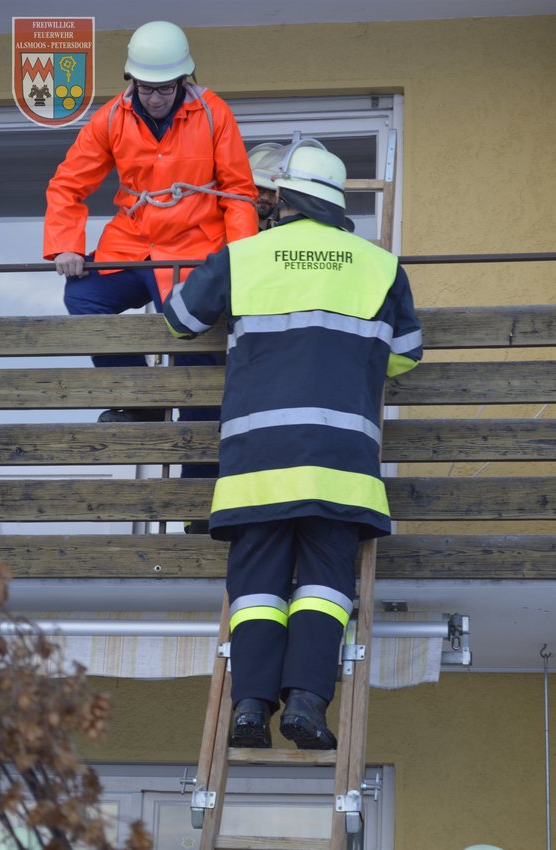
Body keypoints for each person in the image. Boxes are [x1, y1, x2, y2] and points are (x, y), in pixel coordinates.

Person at [163, 138, 422, 749]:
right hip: (341, 466)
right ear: (335, 204)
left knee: (255, 586)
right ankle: (306, 704)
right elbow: (406, 360)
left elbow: (180, 318)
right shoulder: (380, 266)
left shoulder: (245, 255)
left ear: (282, 199)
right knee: (328, 584)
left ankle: (250, 709)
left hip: (258, 463)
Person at [43, 20, 258, 427]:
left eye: (164, 88)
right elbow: (67, 184)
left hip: (194, 249)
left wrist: (240, 261)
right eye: (146, 87)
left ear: (182, 79)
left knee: (193, 350)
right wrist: (65, 244)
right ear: (132, 80)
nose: (155, 98)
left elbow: (239, 194)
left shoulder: (214, 114)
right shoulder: (110, 119)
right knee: (84, 298)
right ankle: (142, 400)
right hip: (133, 244)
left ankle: (198, 466)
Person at [247, 143, 282, 230]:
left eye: (272, 191)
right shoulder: (224, 233)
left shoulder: (280, 235)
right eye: (259, 189)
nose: (266, 197)